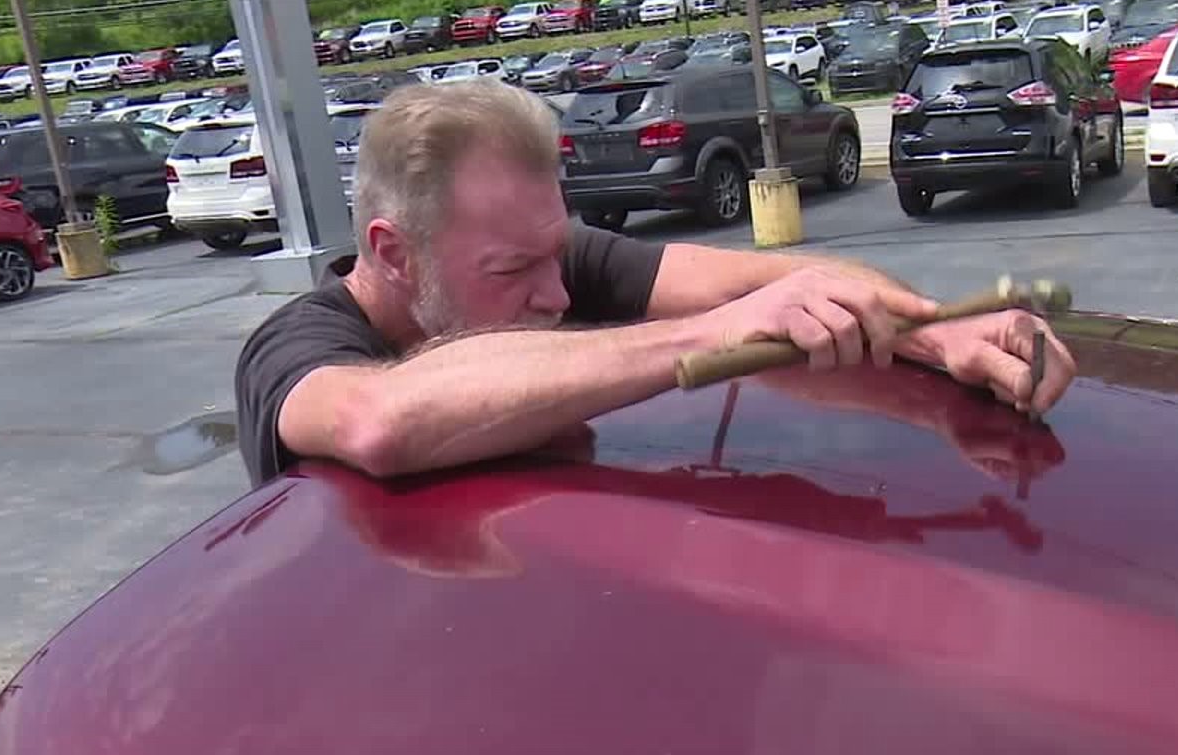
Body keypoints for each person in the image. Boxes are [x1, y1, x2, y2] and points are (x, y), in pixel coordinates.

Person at [233, 79, 1076, 487]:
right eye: (513, 269)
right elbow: (382, 421)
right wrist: (715, 334)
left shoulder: (546, 262)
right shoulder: (296, 351)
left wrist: (937, 333)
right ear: (395, 255)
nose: (557, 295)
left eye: (552, 254)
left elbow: (779, 276)